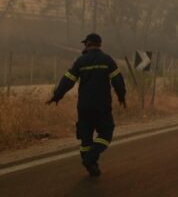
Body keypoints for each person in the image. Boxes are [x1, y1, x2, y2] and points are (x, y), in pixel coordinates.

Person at [46, 33, 126, 177]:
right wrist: (121, 96)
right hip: (102, 106)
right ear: (100, 44)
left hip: (84, 107)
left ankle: (91, 165)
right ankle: (91, 158)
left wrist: (57, 96)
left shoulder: (81, 61)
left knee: (85, 137)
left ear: (89, 44)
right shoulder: (107, 60)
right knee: (106, 132)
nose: (84, 47)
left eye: (85, 44)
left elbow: (68, 80)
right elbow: (118, 80)